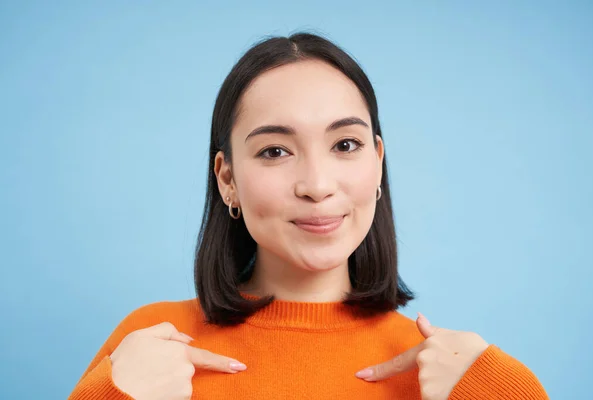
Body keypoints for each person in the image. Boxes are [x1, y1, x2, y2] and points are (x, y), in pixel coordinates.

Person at [68, 32, 548, 400]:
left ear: (377, 162)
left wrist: (497, 387)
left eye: (345, 144)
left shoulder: (441, 373)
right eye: (275, 150)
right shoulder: (153, 344)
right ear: (227, 179)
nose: (317, 185)